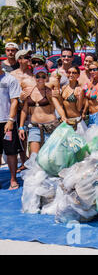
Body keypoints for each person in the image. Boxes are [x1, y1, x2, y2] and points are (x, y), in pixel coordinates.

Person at [19, 66, 66, 153]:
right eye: (38, 76)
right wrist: (21, 127)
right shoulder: (29, 91)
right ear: (34, 77)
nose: (40, 78)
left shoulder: (49, 92)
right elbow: (25, 110)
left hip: (50, 126)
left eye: (43, 76)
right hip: (34, 127)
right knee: (34, 156)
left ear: (47, 78)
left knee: (49, 157)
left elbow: (58, 106)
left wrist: (63, 117)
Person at [0, 58, 23, 190]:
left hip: (6, 122)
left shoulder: (10, 79)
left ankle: (13, 179)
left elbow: (14, 101)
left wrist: (10, 120)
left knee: (11, 152)